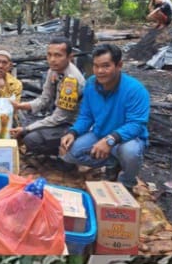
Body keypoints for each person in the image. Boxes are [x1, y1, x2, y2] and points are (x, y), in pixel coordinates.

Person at [59, 42, 150, 193]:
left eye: (106, 66)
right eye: (96, 66)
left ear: (119, 65)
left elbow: (136, 124)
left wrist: (110, 140)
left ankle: (127, 181)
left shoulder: (135, 90)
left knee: (131, 153)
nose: (100, 71)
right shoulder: (91, 84)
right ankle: (112, 162)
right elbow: (86, 116)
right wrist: (73, 132)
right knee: (70, 153)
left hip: (127, 139)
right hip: (99, 133)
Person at [11, 39, 85, 156]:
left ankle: (67, 157)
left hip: (72, 125)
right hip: (57, 117)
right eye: (49, 55)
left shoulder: (72, 81)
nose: (52, 60)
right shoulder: (54, 70)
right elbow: (45, 98)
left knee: (31, 139)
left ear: (70, 57)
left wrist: (27, 129)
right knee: (21, 123)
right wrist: (22, 106)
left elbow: (59, 118)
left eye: (58, 55)